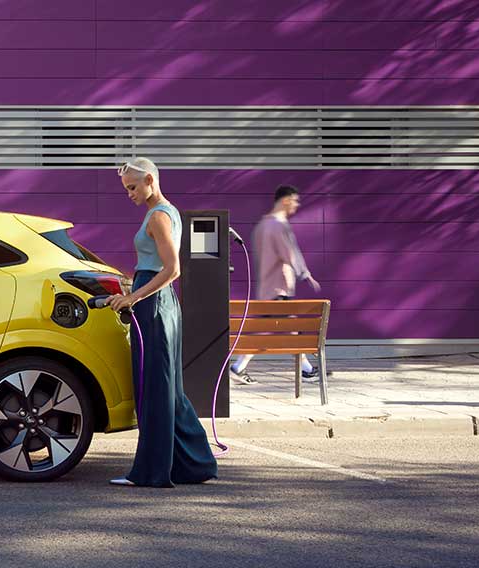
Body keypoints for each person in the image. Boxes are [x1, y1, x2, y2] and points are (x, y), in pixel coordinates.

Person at [104, 158, 218, 488]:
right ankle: (196, 465)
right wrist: (132, 288)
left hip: (154, 305)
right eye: (126, 188)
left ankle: (151, 473)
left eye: (133, 187)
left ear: (150, 180)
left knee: (155, 389)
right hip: (161, 304)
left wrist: (134, 297)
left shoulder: (158, 216)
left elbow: (172, 269)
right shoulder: (169, 211)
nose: (129, 194)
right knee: (168, 390)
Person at [229, 185, 322, 385]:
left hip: (267, 287)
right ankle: (306, 371)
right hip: (278, 287)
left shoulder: (262, 225)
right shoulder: (278, 225)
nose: (297, 205)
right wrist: (305, 273)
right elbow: (289, 253)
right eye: (295, 200)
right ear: (286, 200)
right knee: (287, 328)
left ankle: (238, 367)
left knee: (277, 329)